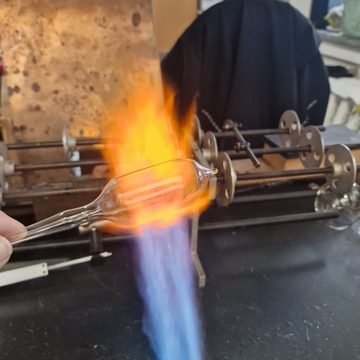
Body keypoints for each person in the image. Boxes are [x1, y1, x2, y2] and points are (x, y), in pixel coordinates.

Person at [161, 0, 330, 132]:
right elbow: (318, 93)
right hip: (282, 161)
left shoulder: (209, 22)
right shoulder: (299, 24)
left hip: (214, 160)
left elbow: (166, 84)